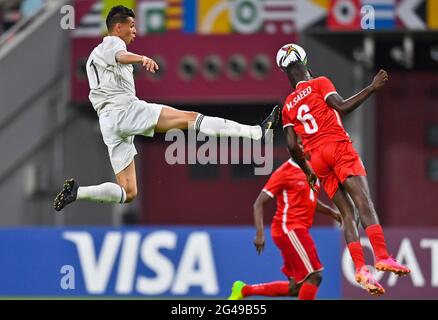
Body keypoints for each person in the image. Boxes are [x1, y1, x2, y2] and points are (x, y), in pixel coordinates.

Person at [53, 6, 279, 211]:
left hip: (108, 122)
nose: (135, 31)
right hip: (125, 110)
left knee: (128, 192)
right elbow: (120, 56)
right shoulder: (112, 43)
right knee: (190, 118)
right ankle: (257, 133)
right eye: (131, 26)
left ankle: (78, 192)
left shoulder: (95, 56)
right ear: (118, 27)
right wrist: (141, 58)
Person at [276, 43, 410, 296]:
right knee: (364, 204)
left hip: (316, 159)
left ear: (284, 71)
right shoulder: (319, 83)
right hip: (337, 147)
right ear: (304, 63)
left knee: (347, 214)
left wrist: (307, 169)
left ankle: (361, 268)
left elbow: (292, 145)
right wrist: (372, 87)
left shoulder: (287, 106)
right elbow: (342, 106)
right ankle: (382, 256)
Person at [228, 156, 342, 300]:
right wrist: (260, 233)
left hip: (296, 229)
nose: (305, 147)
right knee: (314, 276)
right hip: (289, 228)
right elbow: (258, 203)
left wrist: (331, 212)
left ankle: (244, 290)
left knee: (296, 288)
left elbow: (309, 198)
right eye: (299, 143)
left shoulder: (312, 169)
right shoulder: (284, 172)